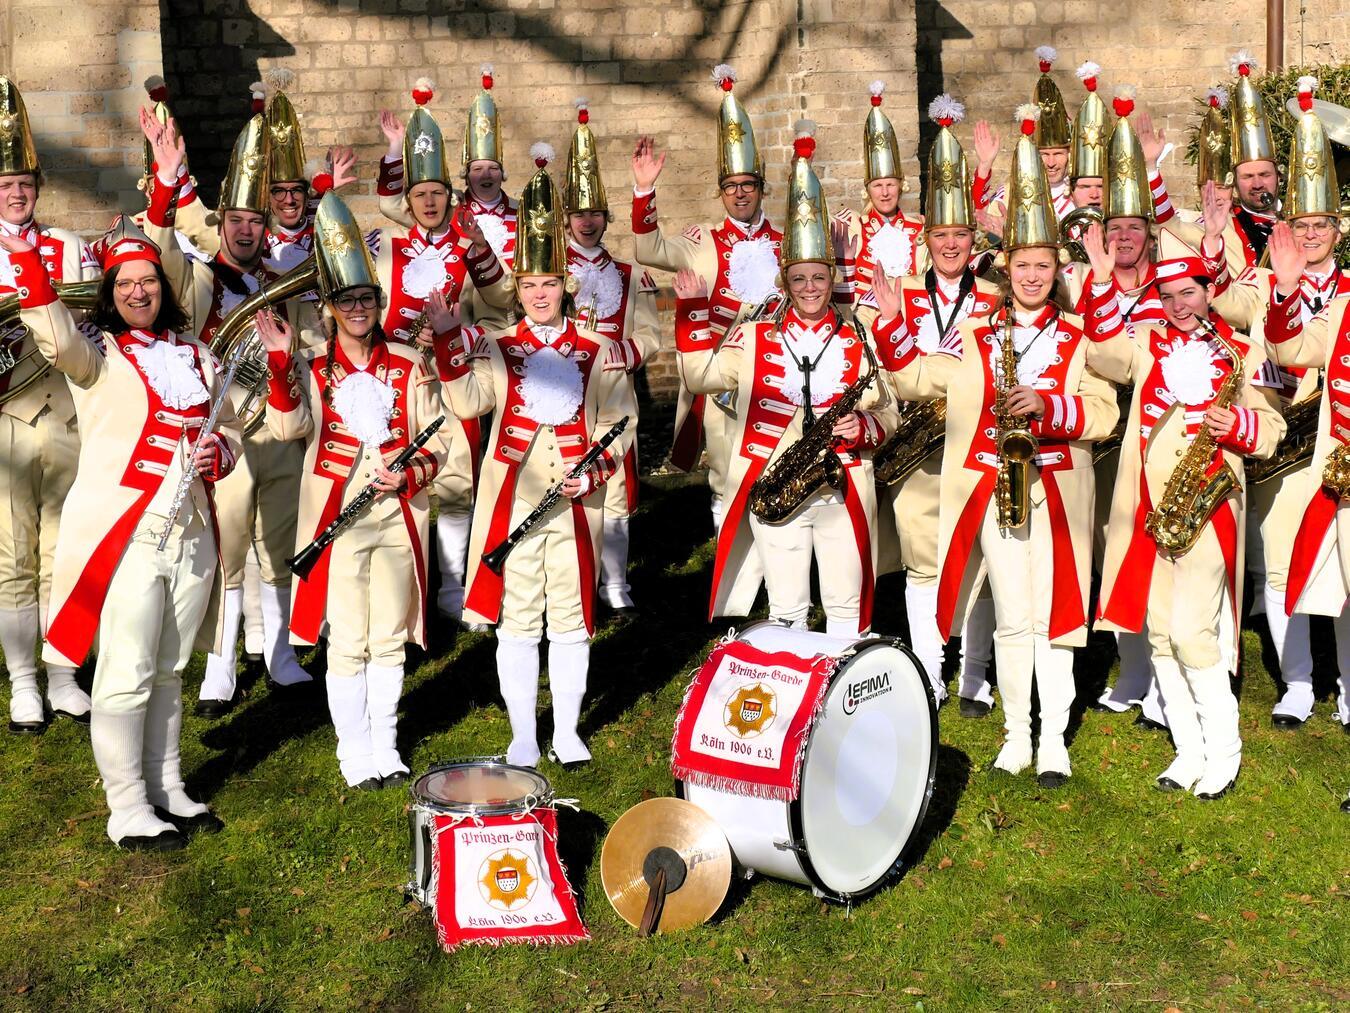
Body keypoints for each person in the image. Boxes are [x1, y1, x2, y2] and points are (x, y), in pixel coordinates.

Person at [874, 106, 1120, 787]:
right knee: (1013, 616)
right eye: (1023, 264)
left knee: (1058, 621)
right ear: (1007, 266)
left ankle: (1056, 741)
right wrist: (894, 325)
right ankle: (1017, 734)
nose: (1034, 275)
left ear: (1055, 267)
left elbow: (1104, 412)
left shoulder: (1078, 338)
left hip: (1060, 494)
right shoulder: (982, 338)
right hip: (999, 493)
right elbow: (918, 377)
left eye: (1044, 265)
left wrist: (1051, 406)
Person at [2, 224, 239, 849]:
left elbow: (232, 431)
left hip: (193, 533)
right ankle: (126, 806)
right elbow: (50, 331)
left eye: (149, 281)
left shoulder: (200, 356)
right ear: (112, 291)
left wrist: (225, 454)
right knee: (126, 671)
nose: (140, 291)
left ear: (164, 287)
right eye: (127, 283)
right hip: (128, 537)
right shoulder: (96, 356)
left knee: (171, 667)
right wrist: (25, 255)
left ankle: (167, 786)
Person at [433, 154, 634, 768]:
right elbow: (467, 400)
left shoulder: (597, 347)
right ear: (516, 291)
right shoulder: (498, 346)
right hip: (513, 501)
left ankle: (568, 729)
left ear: (564, 286)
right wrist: (446, 342)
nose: (540, 295)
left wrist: (592, 473)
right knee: (518, 618)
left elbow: (616, 427)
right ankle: (523, 732)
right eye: (528, 286)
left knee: (571, 617)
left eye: (548, 284)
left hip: (576, 506)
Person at [674, 121, 897, 638]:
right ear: (785, 282)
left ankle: (845, 701)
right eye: (799, 278)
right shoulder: (752, 337)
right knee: (787, 610)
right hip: (777, 485)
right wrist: (688, 313)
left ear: (832, 278)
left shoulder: (857, 333)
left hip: (843, 488)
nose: (811, 287)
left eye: (819, 275)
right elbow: (701, 375)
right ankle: (793, 704)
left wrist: (865, 429)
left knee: (845, 607)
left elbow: (889, 411)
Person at [1085, 225, 1283, 797]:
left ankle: (1224, 749)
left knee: (1194, 628)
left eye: (1188, 293)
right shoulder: (1146, 344)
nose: (1177, 307)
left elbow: (1270, 428)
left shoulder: (1243, 351)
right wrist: (1101, 281)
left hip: (1210, 502)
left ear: (1208, 291)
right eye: (1167, 297)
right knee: (1160, 629)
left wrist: (1239, 426)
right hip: (1151, 506)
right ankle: (1187, 747)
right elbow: (1103, 352)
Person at [258, 191, 446, 790]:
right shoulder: (313, 369)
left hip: (398, 516)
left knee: (389, 634)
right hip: (335, 522)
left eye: (366, 298)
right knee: (348, 637)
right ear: (332, 309)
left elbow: (436, 445)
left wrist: (410, 475)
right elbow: (287, 428)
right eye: (347, 300)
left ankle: (387, 744)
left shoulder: (410, 362)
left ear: (378, 301)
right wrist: (280, 365)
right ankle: (352, 751)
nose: (358, 308)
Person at [139, 109, 315, 716]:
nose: (245, 230)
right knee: (229, 546)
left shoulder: (281, 279)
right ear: (223, 224)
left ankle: (281, 652)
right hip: (227, 433)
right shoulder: (198, 279)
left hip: (280, 427)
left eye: (255, 220)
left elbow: (305, 347)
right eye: (236, 220)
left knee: (281, 538)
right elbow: (161, 255)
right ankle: (220, 662)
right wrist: (165, 181)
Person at [1206, 80, 1350, 729]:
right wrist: (1216, 249)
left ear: (1337, 229)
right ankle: (1296, 682)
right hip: (1274, 434)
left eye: (1322, 225)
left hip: (1327, 443)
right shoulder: (1265, 278)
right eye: (1303, 224)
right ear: (1288, 227)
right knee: (1280, 563)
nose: (1312, 234)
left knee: (1343, 574)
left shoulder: (1348, 292)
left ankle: (1345, 683)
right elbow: (1227, 302)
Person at [869, 95, 1000, 711]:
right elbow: (893, 379)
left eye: (960, 234)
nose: (950, 245)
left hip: (977, 446)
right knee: (923, 563)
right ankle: (928, 669)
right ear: (928, 238)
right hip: (917, 452)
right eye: (941, 235)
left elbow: (996, 369)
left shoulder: (998, 296)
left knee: (978, 556)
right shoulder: (903, 299)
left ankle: (975, 673)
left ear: (974, 238)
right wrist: (938, 372)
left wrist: (927, 371)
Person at [369, 80, 510, 629]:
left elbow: (501, 303)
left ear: (450, 197)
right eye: (420, 195)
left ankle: (453, 590)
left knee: (454, 483)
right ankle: (405, 589)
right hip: (401, 380)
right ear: (409, 203)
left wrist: (478, 248)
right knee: (395, 476)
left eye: (437, 194)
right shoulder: (390, 248)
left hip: (455, 378)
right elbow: (368, 312)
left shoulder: (468, 244)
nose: (429, 202)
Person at [630, 65, 782, 532]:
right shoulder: (702, 240)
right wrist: (644, 191)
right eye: (730, 187)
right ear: (721, 193)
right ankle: (724, 531)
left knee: (776, 451)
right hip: (720, 363)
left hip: (776, 363)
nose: (740, 194)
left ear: (761, 188)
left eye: (748, 185)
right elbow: (648, 249)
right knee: (722, 454)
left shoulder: (787, 240)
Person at [1067, 87, 1169, 724]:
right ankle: (1131, 667)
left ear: (1149, 235)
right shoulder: (1086, 286)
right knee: (1112, 546)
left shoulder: (1173, 290)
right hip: (1104, 439)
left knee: (1161, 549)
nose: (1125, 237)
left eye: (1135, 228)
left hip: (1160, 440)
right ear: (1102, 235)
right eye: (1116, 228)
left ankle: (1162, 674)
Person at [0, 77, 99, 734]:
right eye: (6, 183)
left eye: (25, 183)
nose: (17, 193)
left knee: (66, 552)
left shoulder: (68, 245)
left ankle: (64, 673)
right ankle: (24, 682)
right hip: (4, 424)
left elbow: (90, 328)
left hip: (66, 419)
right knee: (12, 558)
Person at [564, 100, 661, 614]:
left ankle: (615, 581)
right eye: (579, 213)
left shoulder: (630, 274)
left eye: (595, 213)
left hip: (615, 387)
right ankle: (571, 570)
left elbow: (652, 332)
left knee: (617, 478)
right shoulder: (549, 271)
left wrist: (634, 347)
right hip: (562, 385)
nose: (587, 221)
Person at [378, 67, 518, 330]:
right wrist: (396, 150)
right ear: (466, 175)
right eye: (477, 169)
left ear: (503, 173)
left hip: (508, 309)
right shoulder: (452, 208)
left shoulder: (522, 212)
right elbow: (390, 204)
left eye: (493, 168)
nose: (485, 175)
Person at [833, 80, 927, 319]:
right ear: (868, 189)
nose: (884, 193)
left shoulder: (920, 228)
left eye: (890, 185)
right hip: (864, 322)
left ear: (901, 186)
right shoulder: (854, 225)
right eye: (877, 186)